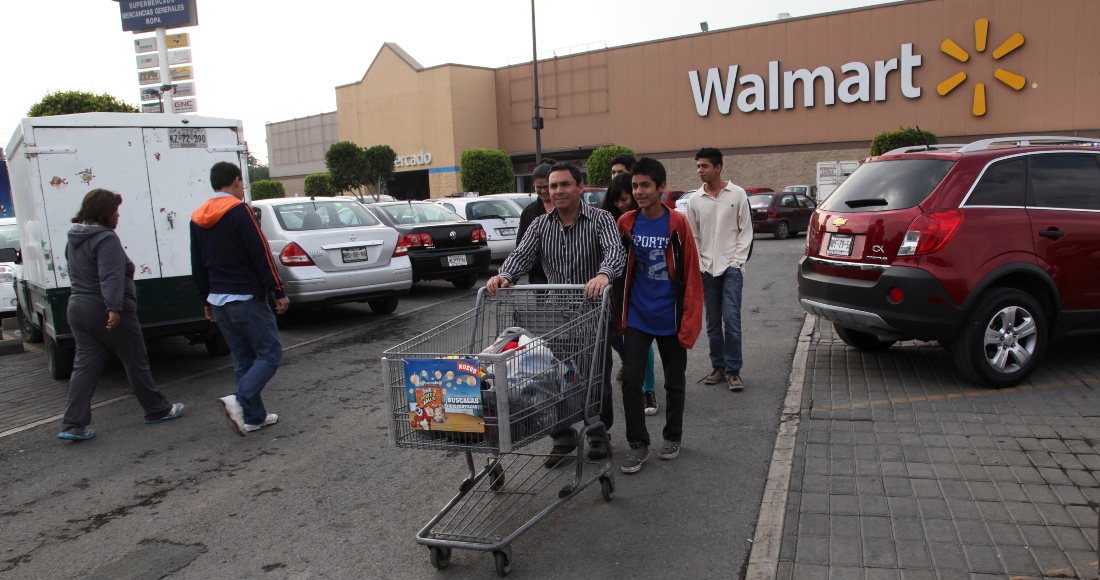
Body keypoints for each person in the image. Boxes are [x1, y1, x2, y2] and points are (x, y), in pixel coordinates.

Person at [486, 163, 625, 466]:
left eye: (565, 185)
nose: (558, 191)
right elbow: (521, 255)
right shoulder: (540, 224)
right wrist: (505, 276)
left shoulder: (600, 220)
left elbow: (616, 252)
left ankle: (597, 433)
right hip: (554, 316)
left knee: (593, 376)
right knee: (552, 375)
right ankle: (561, 436)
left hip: (592, 313)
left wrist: (603, 274)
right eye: (553, 186)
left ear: (580, 188)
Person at [59, 189, 185, 441]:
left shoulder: (74, 238)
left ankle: (72, 424)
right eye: (116, 211)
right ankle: (157, 409)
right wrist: (114, 307)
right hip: (105, 308)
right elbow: (111, 276)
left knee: (84, 367)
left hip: (78, 307)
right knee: (135, 360)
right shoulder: (105, 238)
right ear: (105, 212)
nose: (118, 216)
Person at [615, 157, 702, 473]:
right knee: (631, 382)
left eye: (645, 185)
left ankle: (673, 437)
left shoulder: (677, 223)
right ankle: (638, 444)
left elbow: (691, 274)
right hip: (637, 315)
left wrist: (690, 321)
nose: (638, 191)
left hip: (671, 317)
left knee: (674, 382)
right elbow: (616, 268)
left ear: (661, 187)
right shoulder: (625, 222)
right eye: (635, 185)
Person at [190, 162, 289, 436]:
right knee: (270, 355)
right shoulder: (240, 211)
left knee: (244, 359)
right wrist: (278, 290)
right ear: (235, 181)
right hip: (247, 297)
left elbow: (197, 263)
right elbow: (261, 252)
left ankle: (254, 417)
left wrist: (205, 300)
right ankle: (240, 399)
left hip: (219, 300)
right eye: (241, 183)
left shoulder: (197, 217)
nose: (242, 188)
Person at [684, 148, 752, 391]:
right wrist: (702, 264)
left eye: (704, 166)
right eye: (698, 167)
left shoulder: (737, 194)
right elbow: (693, 236)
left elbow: (746, 231)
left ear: (718, 167)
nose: (700, 171)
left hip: (732, 269)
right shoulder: (694, 200)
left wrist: (736, 262)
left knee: (731, 319)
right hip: (707, 270)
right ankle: (718, 367)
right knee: (713, 322)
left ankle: (734, 371)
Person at [601, 174, 659, 416]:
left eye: (624, 199)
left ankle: (647, 389)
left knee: (641, 342)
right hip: (615, 290)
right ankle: (631, 373)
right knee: (620, 340)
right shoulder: (607, 220)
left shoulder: (642, 220)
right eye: (616, 201)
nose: (621, 204)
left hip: (639, 290)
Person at [516, 158, 555, 284]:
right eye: (539, 187)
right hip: (539, 275)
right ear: (534, 185)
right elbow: (520, 248)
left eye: (546, 187)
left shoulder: (565, 208)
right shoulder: (529, 212)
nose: (543, 191)